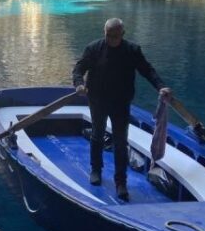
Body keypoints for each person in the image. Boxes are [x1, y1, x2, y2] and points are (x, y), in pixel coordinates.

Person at [72, 18, 171, 202]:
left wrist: (161, 86)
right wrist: (79, 83)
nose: (112, 39)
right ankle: (95, 169)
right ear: (105, 33)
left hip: (121, 103)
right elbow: (79, 68)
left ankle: (120, 182)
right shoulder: (94, 49)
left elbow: (147, 70)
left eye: (115, 36)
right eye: (109, 35)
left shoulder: (132, 51)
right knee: (97, 134)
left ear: (122, 34)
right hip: (98, 100)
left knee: (120, 141)